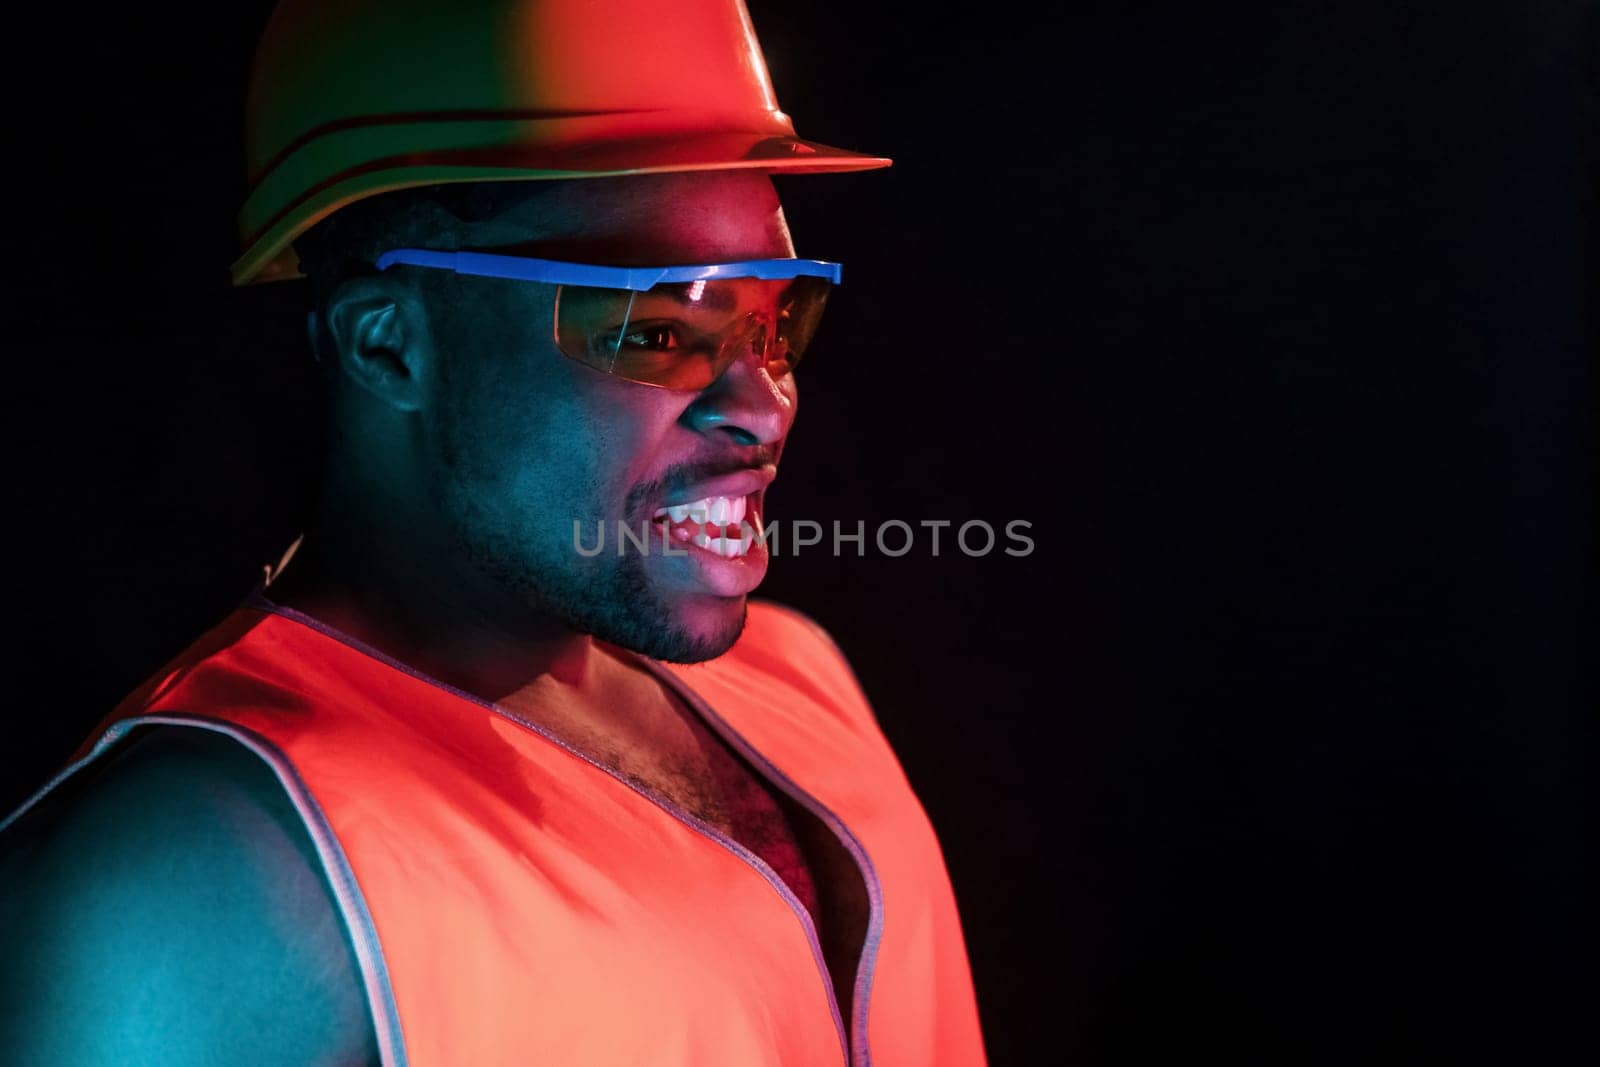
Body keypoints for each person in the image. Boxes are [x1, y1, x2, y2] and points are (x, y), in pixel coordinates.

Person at [0, 1, 988, 1063]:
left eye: (772, 321)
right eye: (660, 327)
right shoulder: (189, 866)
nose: (764, 404)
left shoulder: (798, 674)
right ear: (388, 345)